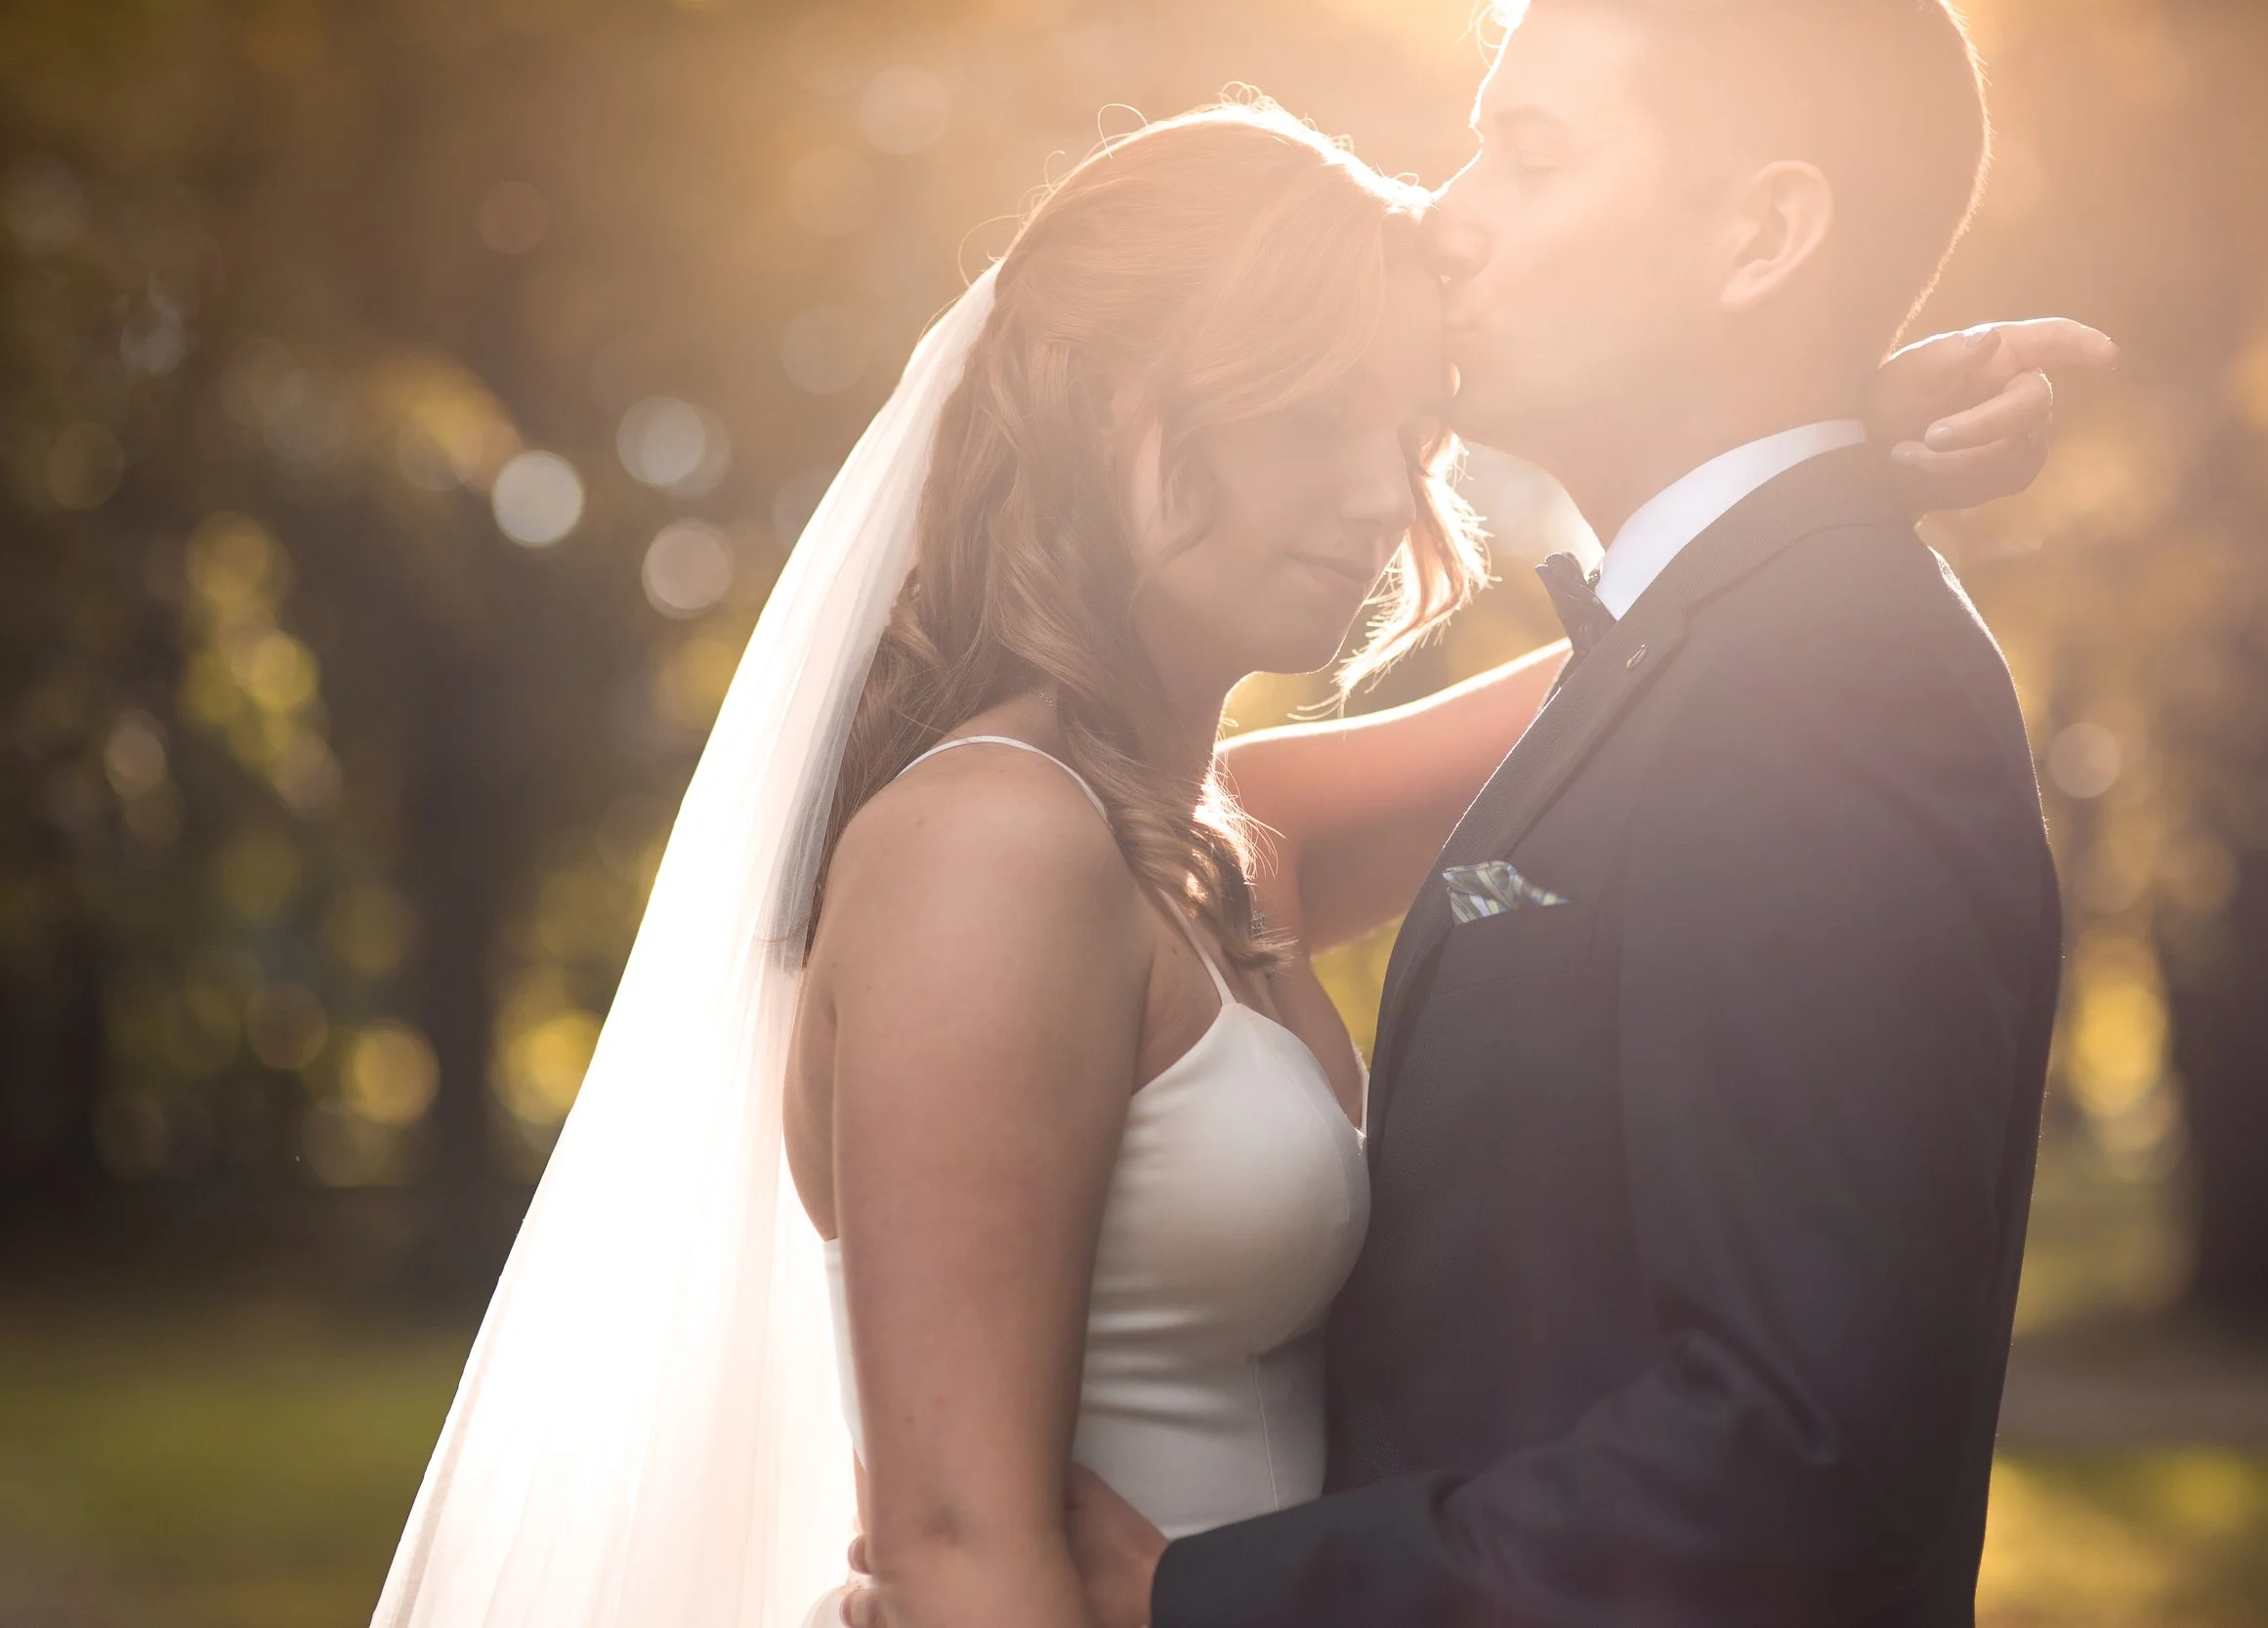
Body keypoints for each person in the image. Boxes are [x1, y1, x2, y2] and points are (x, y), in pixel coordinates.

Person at [370, 62, 2105, 1628]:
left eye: (1397, 433)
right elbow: (961, 1554)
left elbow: (1632, 692)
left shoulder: (1191, 848)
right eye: (1302, 418)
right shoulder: (996, 849)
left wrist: (1823, 453)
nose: (1374, 496)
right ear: (1104, 414)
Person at [1021, 4, 2086, 1627]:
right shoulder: (1732, 646)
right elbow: (1184, 821)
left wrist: (1210, 1599)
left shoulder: (1834, 681)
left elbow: (1802, 1466)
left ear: (1763, 234)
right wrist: (1845, 451)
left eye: (1528, 153)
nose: (1447, 214)